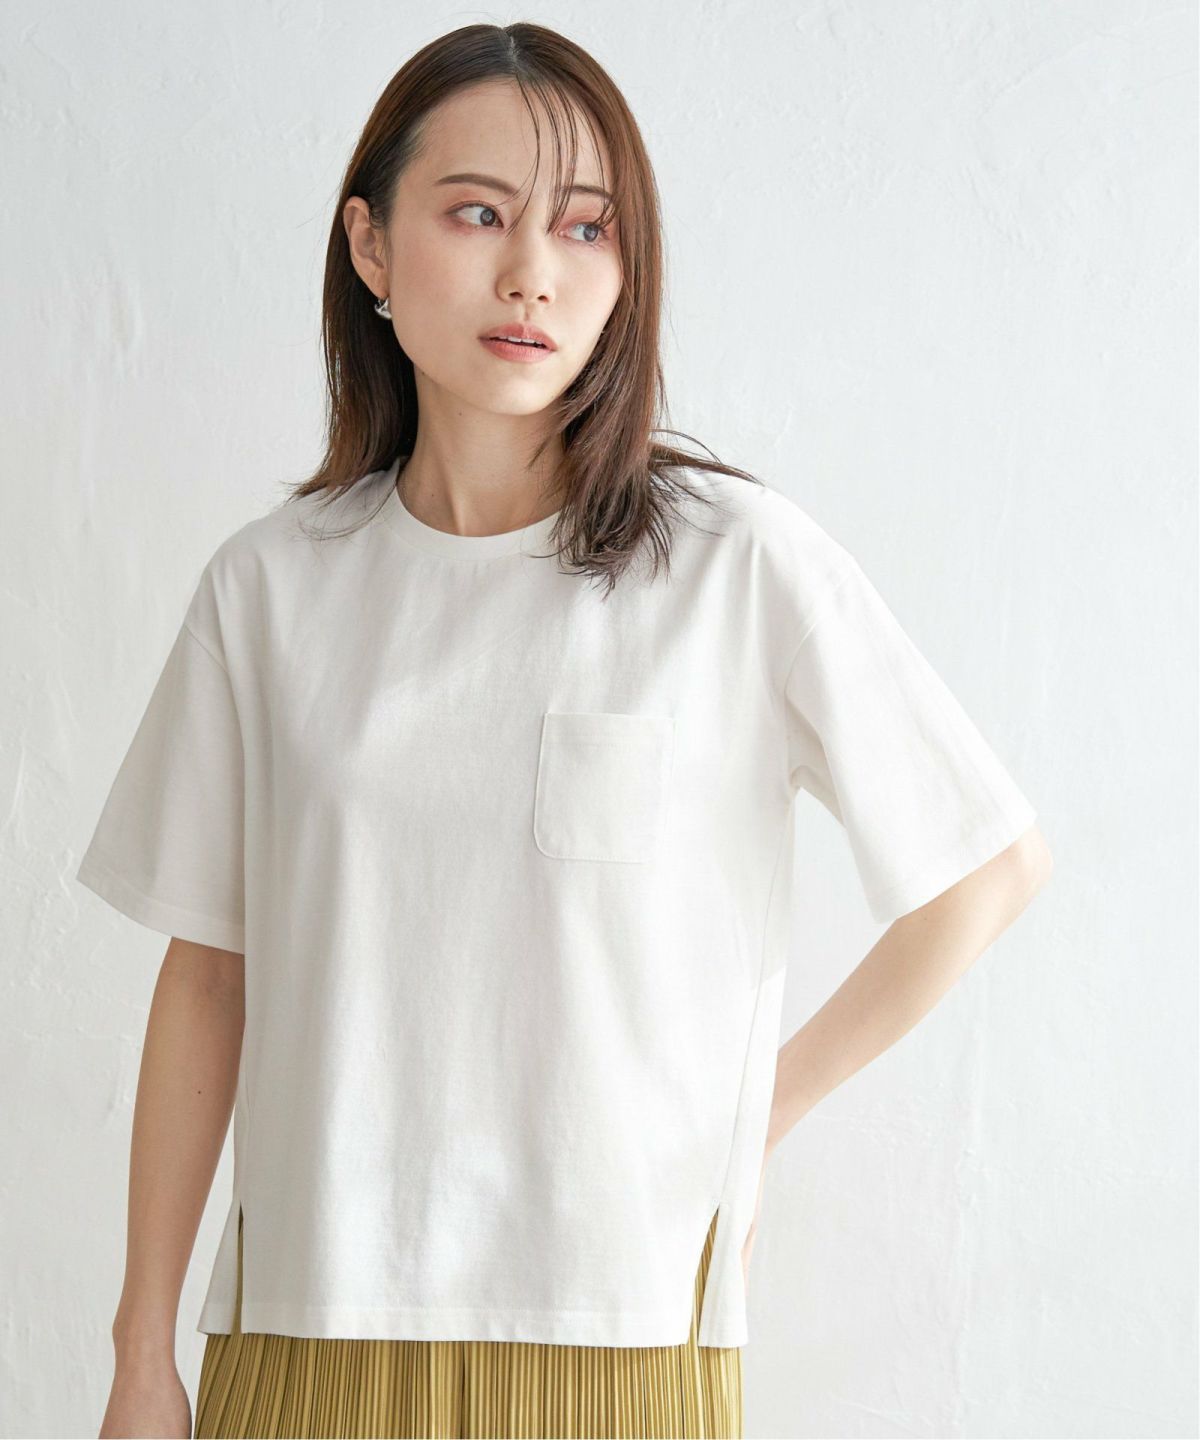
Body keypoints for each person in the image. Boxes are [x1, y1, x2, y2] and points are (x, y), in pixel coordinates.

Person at [82, 21, 1052, 1440]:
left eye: (587, 227)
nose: (534, 270)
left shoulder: (733, 566)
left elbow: (986, 867)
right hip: (306, 1327)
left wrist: (756, 1119)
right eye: (478, 213)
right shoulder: (272, 586)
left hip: (621, 1329)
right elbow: (209, 976)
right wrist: (140, 1349)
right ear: (369, 246)